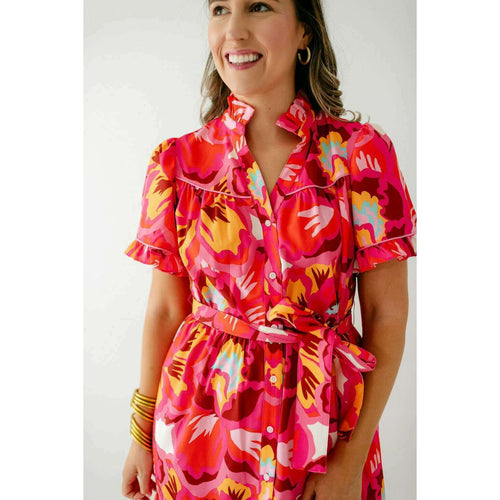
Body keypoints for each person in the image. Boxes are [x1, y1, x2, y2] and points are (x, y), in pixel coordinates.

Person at [121, 0, 417, 499]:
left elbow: (386, 316)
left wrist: (350, 460)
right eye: (220, 9)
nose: (234, 30)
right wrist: (141, 435)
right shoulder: (177, 163)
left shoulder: (360, 155)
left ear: (305, 32)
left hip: (324, 437)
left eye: (258, 6)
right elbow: (167, 310)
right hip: (198, 434)